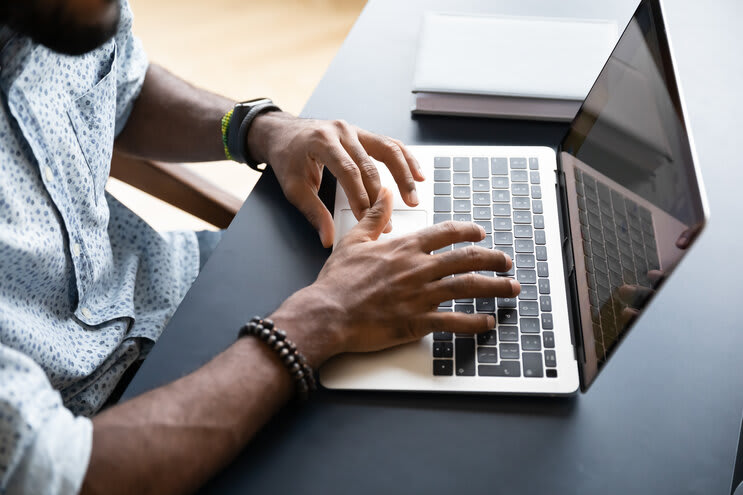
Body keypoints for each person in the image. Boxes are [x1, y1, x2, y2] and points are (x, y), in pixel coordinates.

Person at [0, 0, 520, 493]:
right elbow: (64, 475)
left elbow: (122, 87)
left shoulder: (61, 16)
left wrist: (254, 128)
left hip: (172, 289)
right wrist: (321, 318)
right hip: (111, 430)